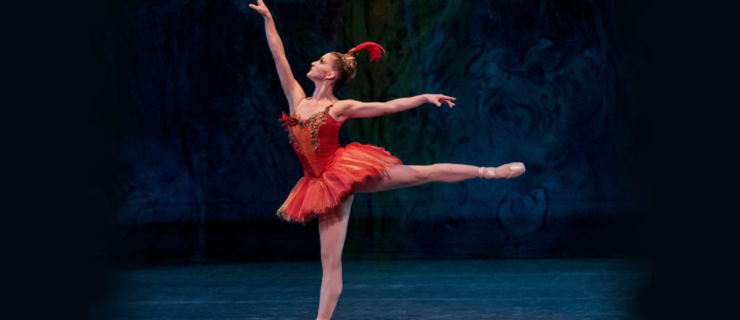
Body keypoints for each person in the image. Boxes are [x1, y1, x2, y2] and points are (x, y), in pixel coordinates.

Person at [249, 1, 525, 319]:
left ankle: (490, 171)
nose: (312, 61)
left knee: (422, 173)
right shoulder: (296, 99)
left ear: (331, 73)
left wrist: (424, 97)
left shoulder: (340, 107)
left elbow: (388, 106)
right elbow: (278, 55)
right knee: (330, 260)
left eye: (320, 60)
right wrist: (269, 19)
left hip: (344, 170)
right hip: (319, 183)